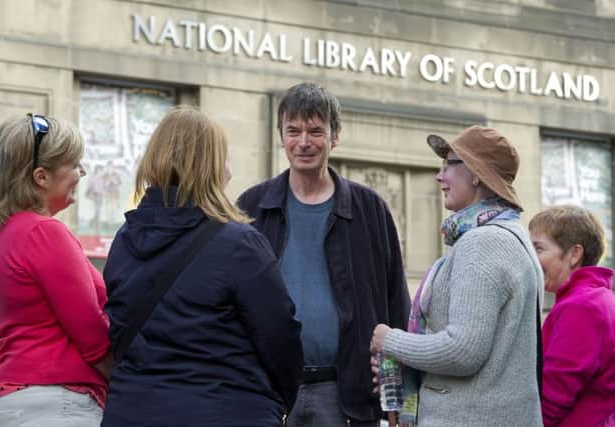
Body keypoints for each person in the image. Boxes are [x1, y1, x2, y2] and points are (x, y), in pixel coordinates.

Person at [101, 106, 303, 427]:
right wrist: (275, 401)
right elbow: (281, 338)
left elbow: (115, 328)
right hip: (227, 409)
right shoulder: (239, 244)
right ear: (210, 166)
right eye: (223, 158)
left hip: (132, 411)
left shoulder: (124, 241)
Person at [237, 82, 410, 426]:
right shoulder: (251, 208)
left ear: (335, 136)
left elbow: (395, 303)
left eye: (316, 131)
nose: (304, 142)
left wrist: (397, 387)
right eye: (294, 130)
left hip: (345, 394)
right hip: (267, 390)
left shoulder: (369, 209)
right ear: (280, 136)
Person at [370, 126, 544, 427]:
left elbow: (463, 351)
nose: (439, 176)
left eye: (449, 164)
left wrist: (390, 340)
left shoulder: (483, 242)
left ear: (476, 173)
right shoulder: (511, 233)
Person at [0, 114, 112, 426]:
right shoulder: (44, 232)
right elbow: (93, 339)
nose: (82, 173)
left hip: (8, 401)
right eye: (74, 165)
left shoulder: (2, 235)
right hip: (55, 405)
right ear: (41, 177)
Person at [529, 205, 615, 427]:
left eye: (538, 248)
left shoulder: (581, 307)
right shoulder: (596, 298)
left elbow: (553, 399)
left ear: (574, 254)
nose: (530, 258)